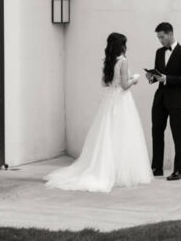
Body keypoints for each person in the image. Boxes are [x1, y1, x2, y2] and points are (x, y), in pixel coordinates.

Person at [45, 32, 152, 192]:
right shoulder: (123, 61)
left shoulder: (108, 61)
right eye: (124, 44)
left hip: (110, 100)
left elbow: (104, 83)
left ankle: (106, 168)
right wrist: (134, 79)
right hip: (122, 101)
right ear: (121, 45)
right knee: (123, 134)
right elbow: (124, 85)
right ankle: (118, 172)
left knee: (108, 134)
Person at [145, 22, 181, 181]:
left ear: (170, 33)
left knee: (177, 133)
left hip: (177, 99)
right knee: (156, 131)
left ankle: (179, 170)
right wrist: (151, 77)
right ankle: (157, 167)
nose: (160, 40)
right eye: (158, 37)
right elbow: (158, 76)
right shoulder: (159, 52)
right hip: (160, 98)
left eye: (162, 37)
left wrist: (167, 79)